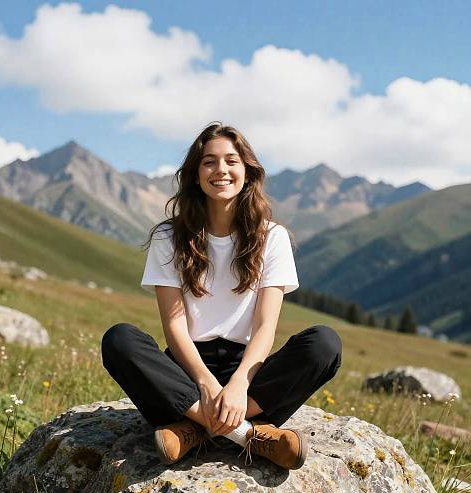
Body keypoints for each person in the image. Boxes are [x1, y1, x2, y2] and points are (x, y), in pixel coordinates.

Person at [101, 122, 342, 470]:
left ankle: (193, 429)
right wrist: (206, 384)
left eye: (231, 160)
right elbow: (174, 324)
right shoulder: (168, 237)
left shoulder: (271, 237)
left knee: (325, 344)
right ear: (195, 174)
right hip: (185, 370)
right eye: (209, 161)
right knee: (119, 340)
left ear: (247, 171)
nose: (221, 170)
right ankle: (248, 436)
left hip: (249, 371)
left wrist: (239, 384)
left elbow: (264, 328)